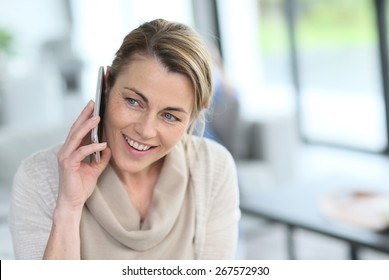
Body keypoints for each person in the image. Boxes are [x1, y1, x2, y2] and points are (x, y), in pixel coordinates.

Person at [9, 19, 240, 260]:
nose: (146, 130)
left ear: (192, 119)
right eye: (133, 101)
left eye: (170, 116)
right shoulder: (38, 178)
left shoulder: (213, 168)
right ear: (106, 85)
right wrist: (68, 209)